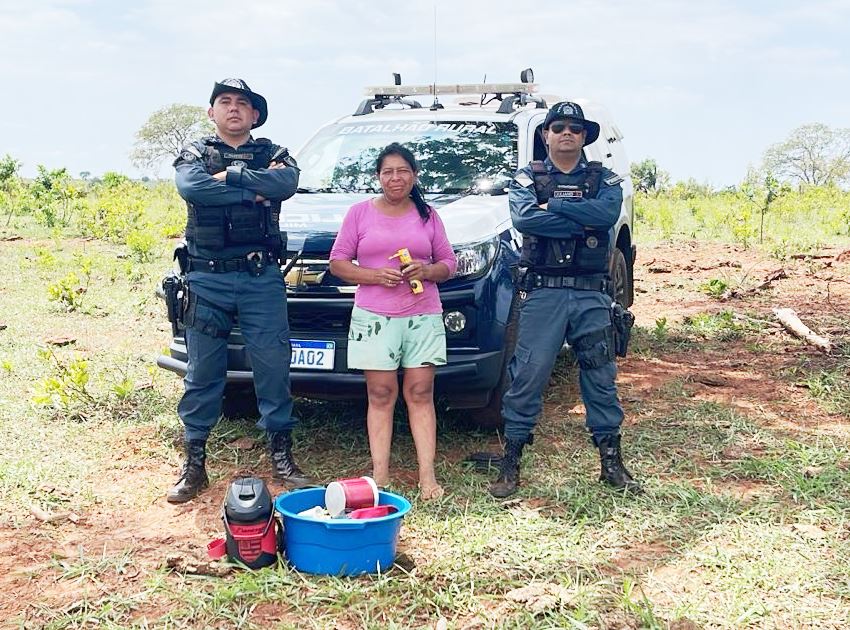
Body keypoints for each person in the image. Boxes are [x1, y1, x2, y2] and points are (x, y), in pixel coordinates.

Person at [167, 78, 310, 503]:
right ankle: (194, 463)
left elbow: (285, 184)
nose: (233, 108)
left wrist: (230, 176)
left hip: (260, 278)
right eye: (224, 102)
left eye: (242, 103)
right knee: (203, 373)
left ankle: (282, 455)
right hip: (206, 279)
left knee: (272, 366)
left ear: (254, 115)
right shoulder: (194, 154)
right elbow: (193, 188)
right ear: (212, 112)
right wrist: (253, 191)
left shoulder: (274, 154)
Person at [489, 101, 642, 497]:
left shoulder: (604, 179)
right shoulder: (527, 178)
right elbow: (525, 220)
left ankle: (611, 463)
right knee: (527, 375)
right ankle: (511, 464)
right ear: (546, 135)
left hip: (591, 293)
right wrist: (579, 217)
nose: (566, 133)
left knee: (600, 377)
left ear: (585, 136)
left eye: (575, 128)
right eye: (558, 127)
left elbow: (606, 216)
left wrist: (555, 205)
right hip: (544, 293)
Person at [329, 143, 457, 499]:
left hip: (422, 314)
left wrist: (427, 269)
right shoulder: (359, 214)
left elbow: (449, 263)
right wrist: (373, 276)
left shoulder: (428, 214)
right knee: (381, 393)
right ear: (378, 177)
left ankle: (427, 477)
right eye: (388, 172)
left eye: (403, 171)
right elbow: (338, 262)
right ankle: (380, 477)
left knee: (420, 392)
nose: (395, 178)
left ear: (414, 175)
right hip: (374, 316)